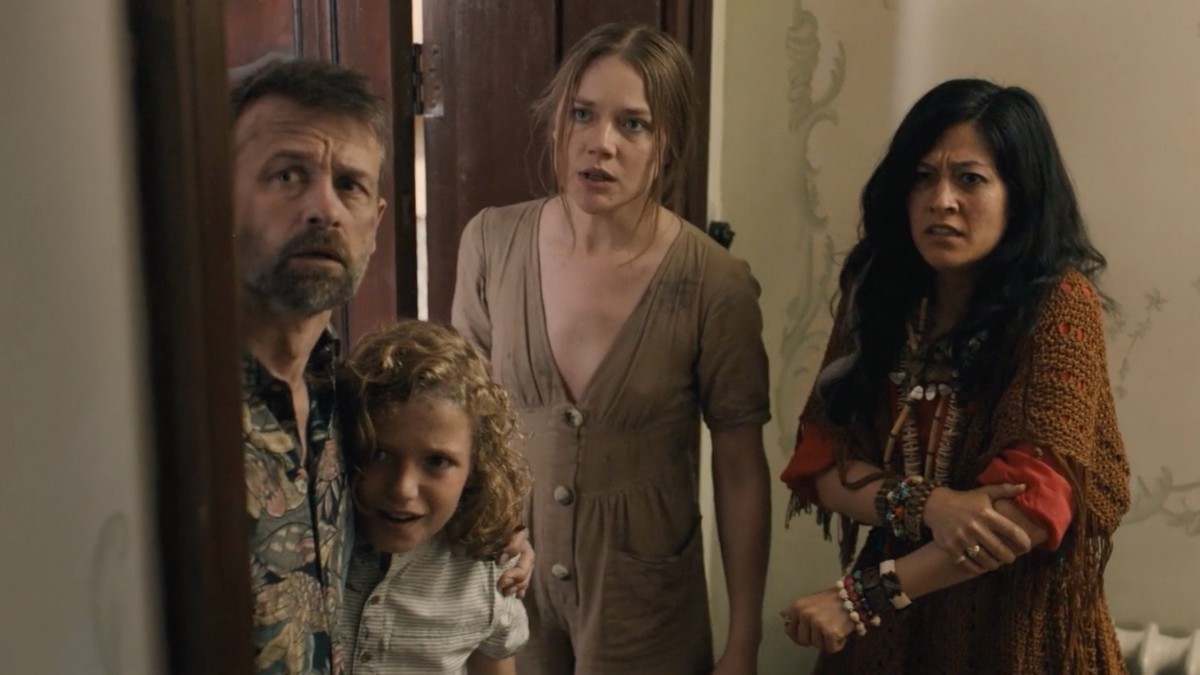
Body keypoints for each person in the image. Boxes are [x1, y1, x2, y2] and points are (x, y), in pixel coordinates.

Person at [778, 78, 1130, 673]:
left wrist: (859, 599)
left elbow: (1028, 509)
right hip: (887, 640)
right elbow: (821, 462)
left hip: (1016, 634)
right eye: (922, 177)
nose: (941, 200)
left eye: (969, 179)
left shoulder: (1059, 304)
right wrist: (930, 506)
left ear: (1020, 194)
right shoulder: (876, 293)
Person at [452, 23, 772, 675]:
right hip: (510, 582)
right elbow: (463, 423)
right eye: (582, 114)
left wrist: (744, 641)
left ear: (666, 142)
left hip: (645, 600)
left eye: (633, 124)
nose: (601, 143)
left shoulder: (714, 283)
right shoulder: (491, 243)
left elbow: (740, 467)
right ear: (556, 123)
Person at [231, 59, 533, 674]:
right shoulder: (169, 404)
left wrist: (490, 528)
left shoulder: (340, 400)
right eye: (288, 175)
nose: (323, 208)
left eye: (349, 184)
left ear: (374, 221)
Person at [337, 320, 532, 674]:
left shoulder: (488, 574)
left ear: (476, 467)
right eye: (379, 454)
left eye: (437, 462)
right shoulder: (318, 543)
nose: (403, 488)